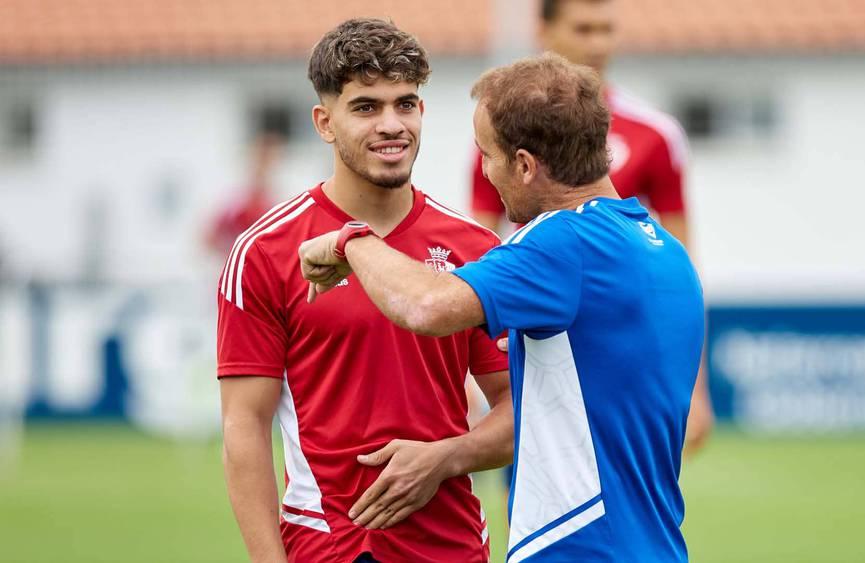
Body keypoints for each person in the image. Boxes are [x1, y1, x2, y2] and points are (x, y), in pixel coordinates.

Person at [300, 53, 704, 562]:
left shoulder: (562, 243)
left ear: (525, 165)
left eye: (486, 155)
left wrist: (350, 242)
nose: (485, 173)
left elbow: (425, 306)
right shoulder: (662, 249)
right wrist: (448, 456)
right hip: (655, 543)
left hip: (580, 547)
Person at [217, 19, 513, 563]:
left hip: (451, 547)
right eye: (366, 107)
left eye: (405, 104)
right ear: (324, 123)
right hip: (324, 546)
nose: (391, 124)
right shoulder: (263, 252)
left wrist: (445, 458)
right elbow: (244, 427)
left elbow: (519, 409)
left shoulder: (476, 248)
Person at [469, 0, 713, 454]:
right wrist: (473, 369)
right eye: (583, 29)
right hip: (534, 343)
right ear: (544, 32)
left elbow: (680, 266)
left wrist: (696, 388)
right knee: (527, 494)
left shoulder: (655, 134)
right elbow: (479, 246)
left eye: (606, 30)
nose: (598, 44)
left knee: (627, 485)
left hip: (619, 354)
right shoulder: (503, 134)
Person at [206, 128, 287, 259]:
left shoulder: (277, 200)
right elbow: (209, 238)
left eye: (269, 158)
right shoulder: (235, 200)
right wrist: (232, 255)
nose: (264, 163)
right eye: (261, 157)